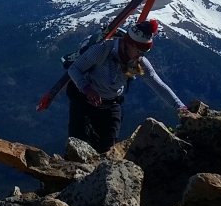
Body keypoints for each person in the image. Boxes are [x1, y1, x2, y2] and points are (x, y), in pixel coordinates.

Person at [66, 19, 186, 152]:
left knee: (107, 151)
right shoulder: (103, 49)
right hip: (84, 102)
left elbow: (158, 85)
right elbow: (74, 68)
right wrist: (87, 89)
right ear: (128, 43)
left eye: (145, 51)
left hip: (111, 105)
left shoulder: (138, 62)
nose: (141, 55)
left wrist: (181, 108)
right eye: (140, 50)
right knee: (78, 147)